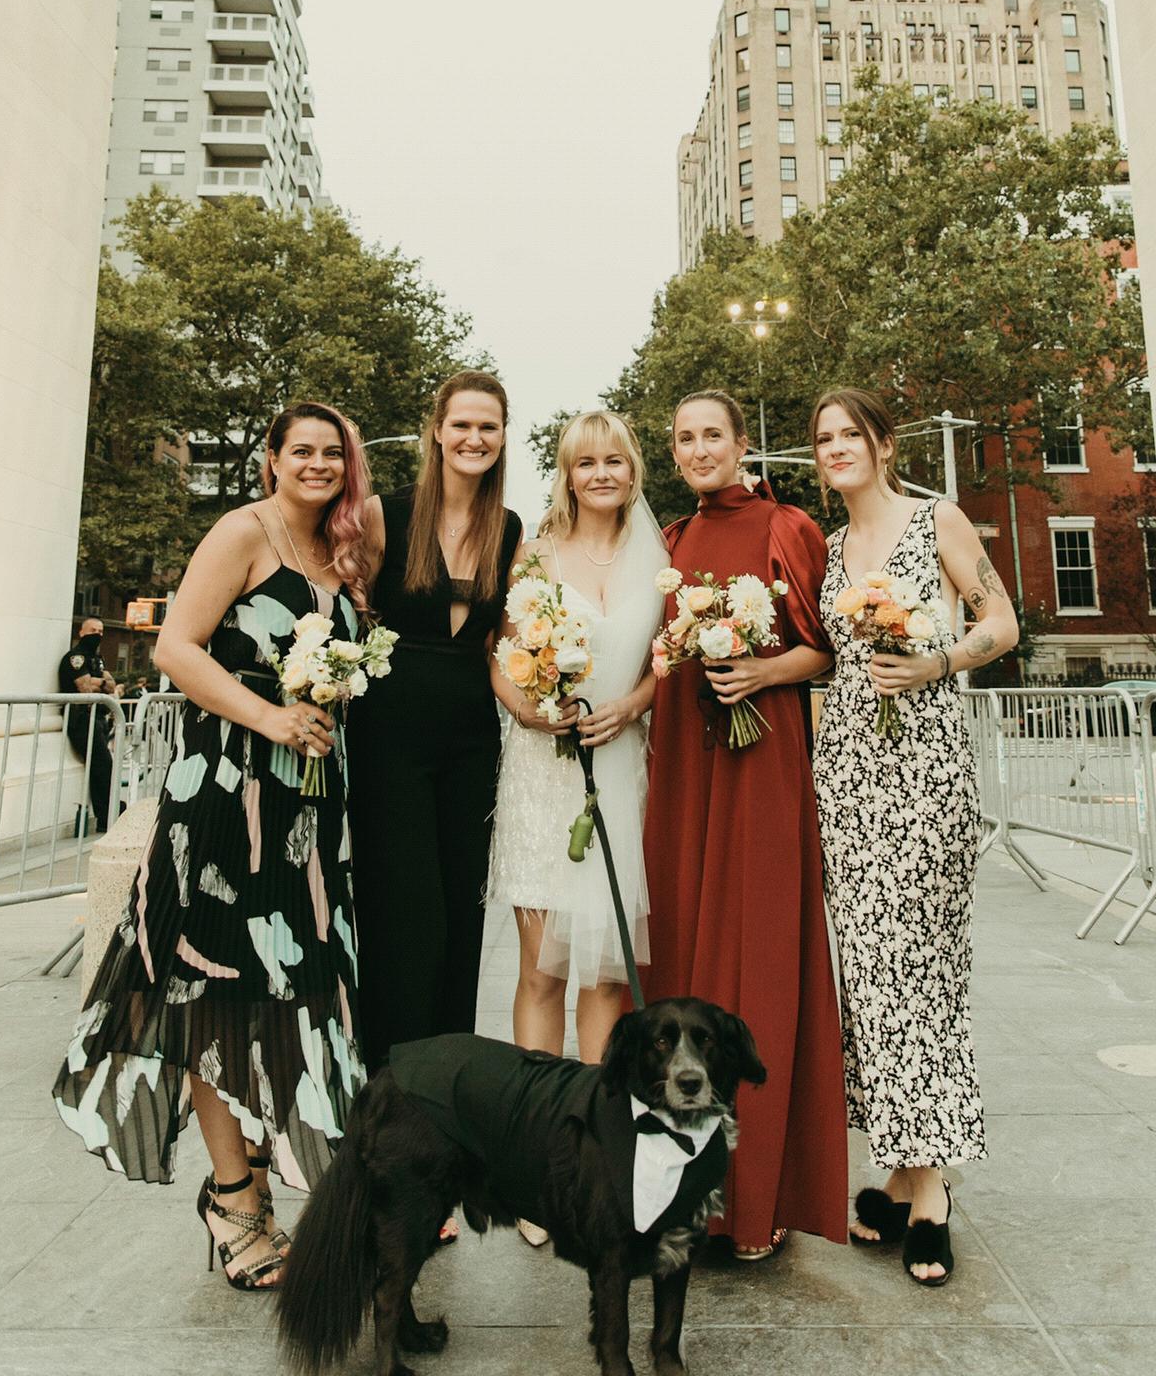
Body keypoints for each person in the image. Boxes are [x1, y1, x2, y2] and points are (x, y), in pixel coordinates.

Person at [52, 402, 372, 1290]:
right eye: (300, 451)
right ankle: (235, 1199)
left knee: (291, 992)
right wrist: (272, 715)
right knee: (207, 990)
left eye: (331, 454)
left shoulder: (340, 555)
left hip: (308, 810)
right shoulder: (243, 532)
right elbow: (176, 650)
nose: (317, 464)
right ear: (269, 459)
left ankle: (263, 1181)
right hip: (227, 796)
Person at [811, 388, 1019, 1287]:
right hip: (848, 778)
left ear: (884, 443)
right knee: (867, 973)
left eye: (848, 435)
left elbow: (1002, 623)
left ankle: (931, 1191)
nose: (833, 449)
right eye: (823, 440)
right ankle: (898, 1168)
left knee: (923, 966)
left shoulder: (938, 519)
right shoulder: (826, 550)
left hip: (925, 773)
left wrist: (937, 661)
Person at [641, 389, 847, 1263]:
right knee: (684, 960)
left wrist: (760, 676)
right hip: (686, 766)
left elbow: (824, 652)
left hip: (760, 766)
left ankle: (755, 1202)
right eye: (684, 438)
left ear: (741, 443)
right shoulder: (670, 544)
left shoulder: (787, 526)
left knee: (758, 962)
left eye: (712, 435)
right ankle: (687, 1195)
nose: (698, 450)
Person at [487, 409, 665, 1246]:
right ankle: (534, 1162)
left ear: (633, 469)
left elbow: (672, 660)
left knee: (609, 980)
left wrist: (630, 707)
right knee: (541, 973)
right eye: (585, 462)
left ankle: (593, 1152)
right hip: (544, 777)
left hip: (621, 772)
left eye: (614, 460)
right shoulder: (535, 554)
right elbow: (501, 654)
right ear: (566, 473)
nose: (601, 474)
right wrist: (531, 712)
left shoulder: (659, 558)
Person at [349, 372, 521, 1081]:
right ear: (437, 432)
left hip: (471, 739)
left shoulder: (507, 528)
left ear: (503, 436)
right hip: (389, 735)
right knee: (403, 912)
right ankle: (388, 1080)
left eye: (488, 427)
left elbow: (503, 649)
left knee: (459, 913)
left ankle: (446, 1080)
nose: (474, 438)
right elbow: (342, 610)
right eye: (463, 425)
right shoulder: (382, 514)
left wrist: (544, 707)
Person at [58, 616, 118, 835]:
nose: (98, 634)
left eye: (101, 631)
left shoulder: (97, 659)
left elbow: (111, 686)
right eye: (93, 630)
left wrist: (98, 682)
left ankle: (108, 813)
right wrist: (99, 681)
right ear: (81, 632)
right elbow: (84, 688)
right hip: (81, 718)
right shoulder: (76, 658)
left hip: (97, 718)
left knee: (104, 765)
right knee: (103, 764)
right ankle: (107, 816)